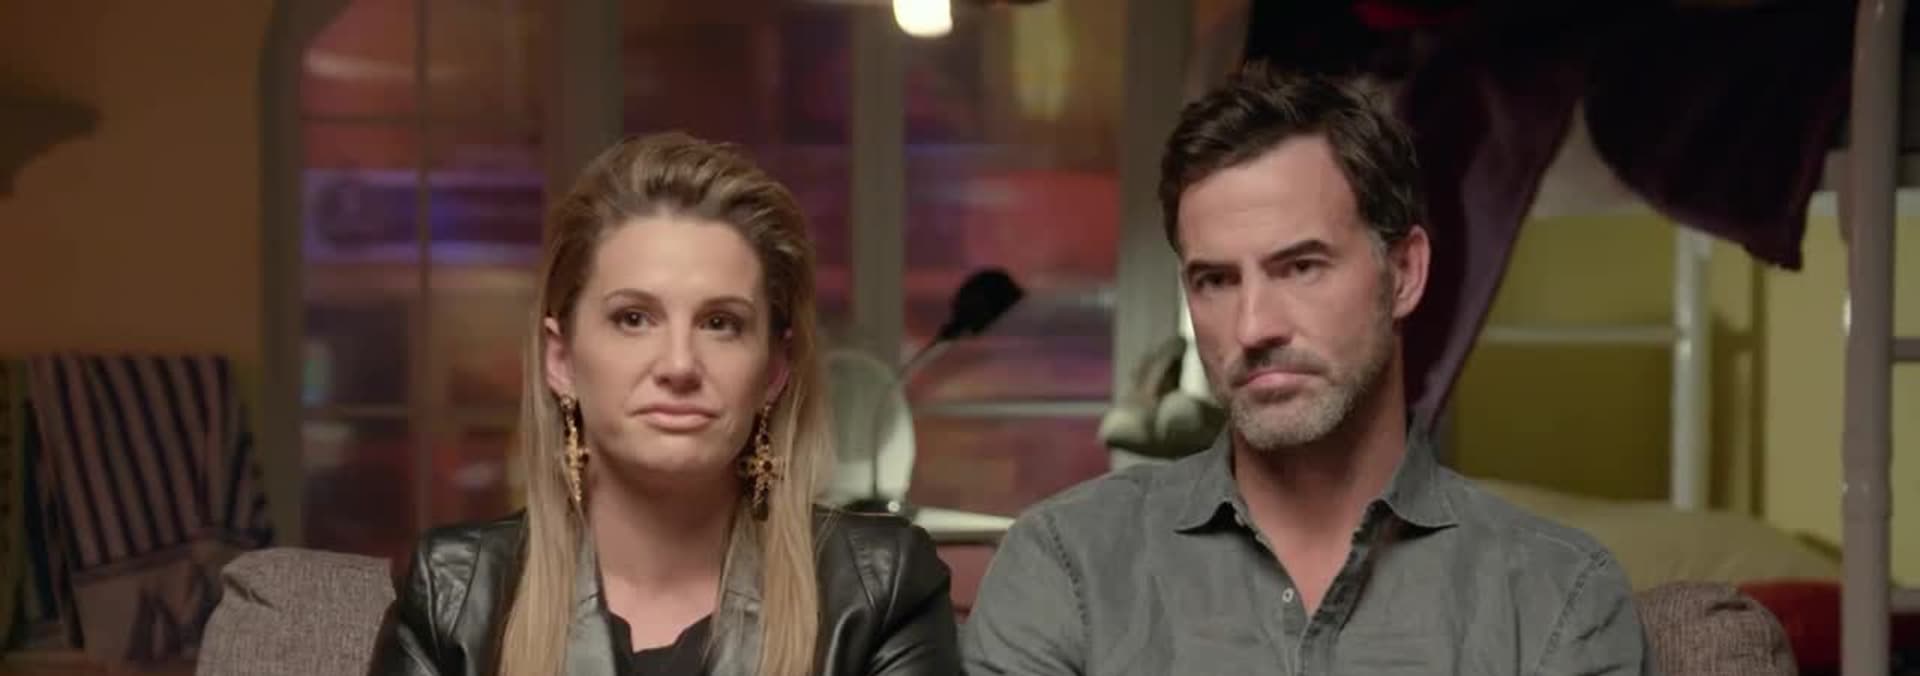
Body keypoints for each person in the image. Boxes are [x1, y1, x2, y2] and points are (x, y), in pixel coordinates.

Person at [961, 66, 1653, 675]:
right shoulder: (1068, 566)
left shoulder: (1556, 596)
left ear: (1404, 273)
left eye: (1301, 267)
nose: (1254, 327)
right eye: (1215, 280)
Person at [366, 132, 960, 676]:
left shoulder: (880, 588)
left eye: (721, 323)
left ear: (775, 369)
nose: (679, 365)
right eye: (633, 318)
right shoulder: (453, 593)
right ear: (561, 358)